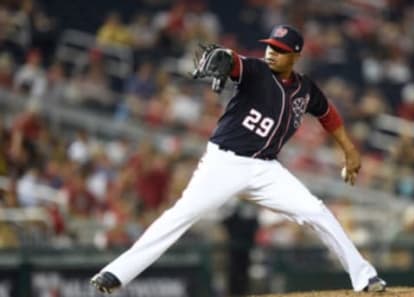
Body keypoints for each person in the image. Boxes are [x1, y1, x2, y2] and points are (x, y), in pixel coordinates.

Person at [91, 24, 386, 294]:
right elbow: (235, 62)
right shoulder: (256, 70)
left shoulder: (305, 89)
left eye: (281, 50)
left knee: (317, 212)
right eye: (271, 46)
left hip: (266, 169)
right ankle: (115, 274)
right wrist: (225, 57)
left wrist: (349, 149)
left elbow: (327, 114)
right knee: (181, 216)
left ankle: (365, 278)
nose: (272, 53)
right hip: (224, 164)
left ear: (295, 55)